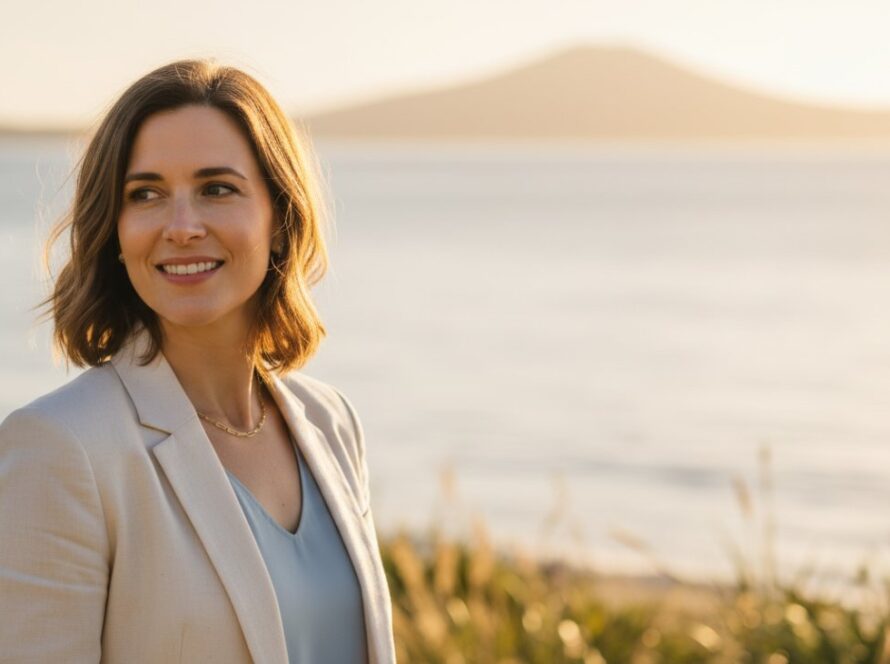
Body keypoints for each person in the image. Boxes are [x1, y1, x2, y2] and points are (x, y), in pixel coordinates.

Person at [0, 59, 395, 663]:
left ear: (279, 217)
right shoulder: (61, 448)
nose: (181, 227)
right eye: (146, 194)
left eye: (216, 188)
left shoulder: (331, 422)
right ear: (116, 229)